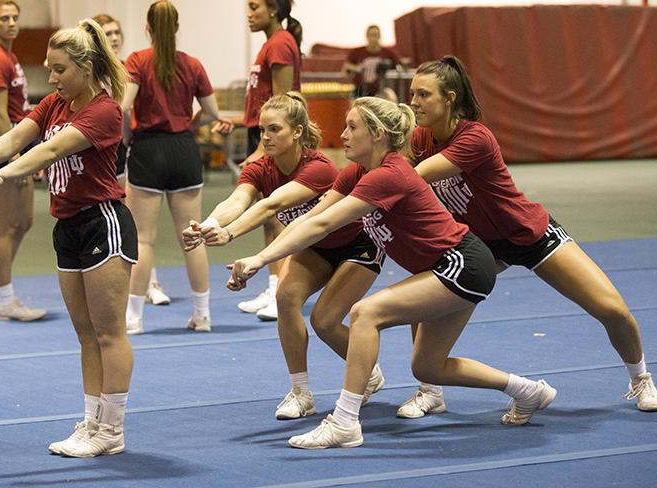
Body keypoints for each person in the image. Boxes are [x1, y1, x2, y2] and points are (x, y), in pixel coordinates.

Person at [228, 97, 557, 449]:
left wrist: (260, 260)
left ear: (378, 135)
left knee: (365, 313)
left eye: (352, 127)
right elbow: (312, 216)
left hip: (461, 264)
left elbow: (323, 224)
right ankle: (528, 390)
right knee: (428, 368)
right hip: (445, 268)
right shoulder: (358, 171)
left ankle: (344, 422)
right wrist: (254, 250)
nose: (343, 135)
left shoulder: (389, 174)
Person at [396, 55, 657, 418]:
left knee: (613, 310)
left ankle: (641, 377)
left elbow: (408, 178)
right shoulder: (421, 139)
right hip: (481, 247)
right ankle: (430, 390)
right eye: (412, 93)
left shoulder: (474, 137)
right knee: (423, 295)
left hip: (530, 234)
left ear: (450, 99)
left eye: (423, 94)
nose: (413, 101)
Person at [0, 19, 136, 458]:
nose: (51, 78)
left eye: (60, 70)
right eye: (49, 69)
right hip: (67, 225)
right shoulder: (54, 102)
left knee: (109, 333)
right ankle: (91, 423)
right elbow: (16, 137)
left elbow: (48, 151)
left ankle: (113, 429)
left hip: (102, 222)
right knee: (86, 333)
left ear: (86, 68)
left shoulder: (104, 111)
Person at [184, 93, 386, 419]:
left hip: (358, 245)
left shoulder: (318, 168)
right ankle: (301, 392)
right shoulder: (260, 167)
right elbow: (238, 201)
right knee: (286, 297)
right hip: (316, 246)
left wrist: (231, 234)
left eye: (274, 129)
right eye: (262, 130)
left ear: (297, 132)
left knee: (324, 320)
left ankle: (367, 370)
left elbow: (271, 205)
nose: (264, 137)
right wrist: (208, 224)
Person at [121, 0, 220, 334]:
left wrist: (124, 140)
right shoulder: (192, 65)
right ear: (177, 28)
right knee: (192, 237)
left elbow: (123, 106)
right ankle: (203, 315)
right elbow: (212, 112)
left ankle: (133, 318)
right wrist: (188, 124)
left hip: (148, 149)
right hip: (183, 149)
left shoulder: (137, 60)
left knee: (143, 241)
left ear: (148, 27)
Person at [212, 0, 303, 320]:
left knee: (278, 215)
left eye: (255, 7)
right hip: (261, 134)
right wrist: (238, 122)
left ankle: (282, 292)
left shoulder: (280, 43)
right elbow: (260, 106)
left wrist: (264, 149)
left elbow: (284, 103)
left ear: (274, 10)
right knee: (268, 216)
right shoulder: (270, 43)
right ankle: (274, 287)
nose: (248, 14)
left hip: (272, 140)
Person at [93, 12, 171, 307]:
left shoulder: (130, 68)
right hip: (95, 153)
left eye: (116, 32)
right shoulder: (89, 71)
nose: (113, 38)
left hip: (124, 151)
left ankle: (149, 282)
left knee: (134, 220)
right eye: (106, 33)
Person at [0, 0, 45, 321]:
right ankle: (4, 301)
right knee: (5, 227)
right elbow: (1, 115)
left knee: (24, 222)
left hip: (20, 143)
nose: (12, 23)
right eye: (4, 18)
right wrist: (15, 157)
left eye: (15, 17)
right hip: (8, 144)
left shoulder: (8, 54)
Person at [341, 25, 403, 98]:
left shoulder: (387, 52)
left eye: (375, 35)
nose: (373, 38)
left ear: (379, 36)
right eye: (371, 35)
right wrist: (356, 68)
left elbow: (399, 64)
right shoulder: (357, 52)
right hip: (360, 90)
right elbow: (346, 66)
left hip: (380, 90)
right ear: (367, 36)